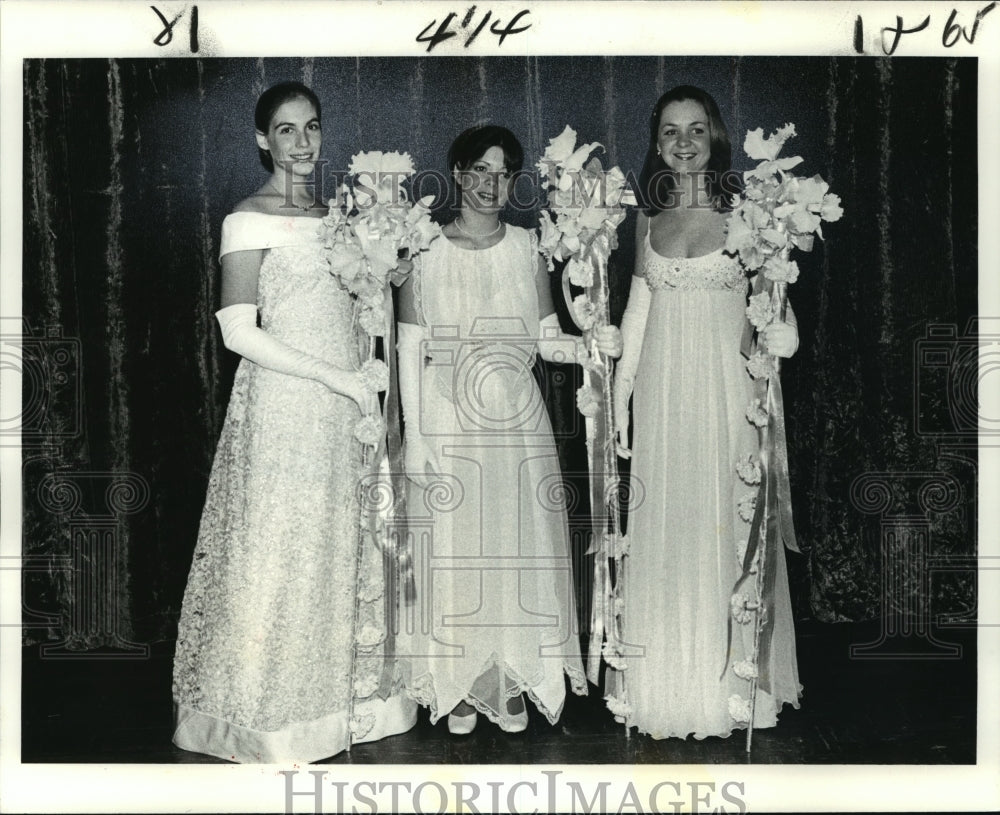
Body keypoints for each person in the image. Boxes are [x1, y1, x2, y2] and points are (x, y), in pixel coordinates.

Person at [172, 81, 416, 763]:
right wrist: (335, 376)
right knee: (280, 544)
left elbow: (364, 308)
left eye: (311, 127)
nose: (302, 142)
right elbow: (236, 332)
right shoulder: (246, 219)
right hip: (285, 402)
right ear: (261, 139)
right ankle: (273, 714)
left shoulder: (341, 217)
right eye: (286, 130)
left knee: (338, 541)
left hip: (347, 412)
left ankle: (344, 703)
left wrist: (371, 371)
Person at [396, 125, 622, 734]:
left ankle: (510, 675)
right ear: (459, 173)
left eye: (505, 173)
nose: (492, 184)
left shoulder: (527, 245)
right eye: (481, 170)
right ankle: (463, 684)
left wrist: (589, 347)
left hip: (518, 422)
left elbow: (546, 339)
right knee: (457, 552)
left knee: (514, 550)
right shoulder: (422, 250)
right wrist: (415, 438)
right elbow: (408, 346)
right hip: (449, 420)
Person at [610, 85, 802, 739]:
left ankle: (733, 683)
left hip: (727, 395)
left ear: (715, 137)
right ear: (656, 142)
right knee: (667, 528)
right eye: (670, 132)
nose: (684, 143)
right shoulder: (648, 218)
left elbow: (776, 308)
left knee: (725, 529)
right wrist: (618, 402)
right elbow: (636, 318)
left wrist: (786, 340)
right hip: (664, 399)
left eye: (696, 130)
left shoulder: (748, 212)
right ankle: (666, 681)